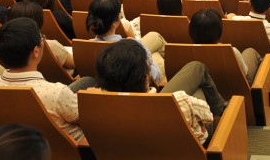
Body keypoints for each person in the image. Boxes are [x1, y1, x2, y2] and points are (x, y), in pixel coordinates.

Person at [94, 39, 226, 144]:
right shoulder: (180, 100)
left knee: (196, 68)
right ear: (146, 77)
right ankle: (223, 111)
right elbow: (207, 116)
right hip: (189, 142)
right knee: (199, 89)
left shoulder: (95, 108)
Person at [0, 18, 85, 141]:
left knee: (86, 81)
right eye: (42, 38)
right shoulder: (58, 93)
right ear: (36, 51)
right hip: (67, 148)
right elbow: (89, 120)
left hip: (14, 145)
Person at [189, 8, 262, 85]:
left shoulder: (185, 51)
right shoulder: (232, 51)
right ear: (219, 31)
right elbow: (245, 74)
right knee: (250, 51)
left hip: (205, 87)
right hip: (237, 88)